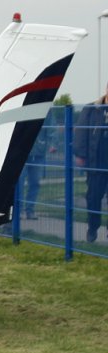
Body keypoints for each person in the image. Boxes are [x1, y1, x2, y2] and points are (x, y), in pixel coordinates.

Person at [74, 87, 108, 242]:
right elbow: (81, 132)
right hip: (96, 162)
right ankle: (93, 227)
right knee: (93, 197)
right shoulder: (92, 108)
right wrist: (80, 154)